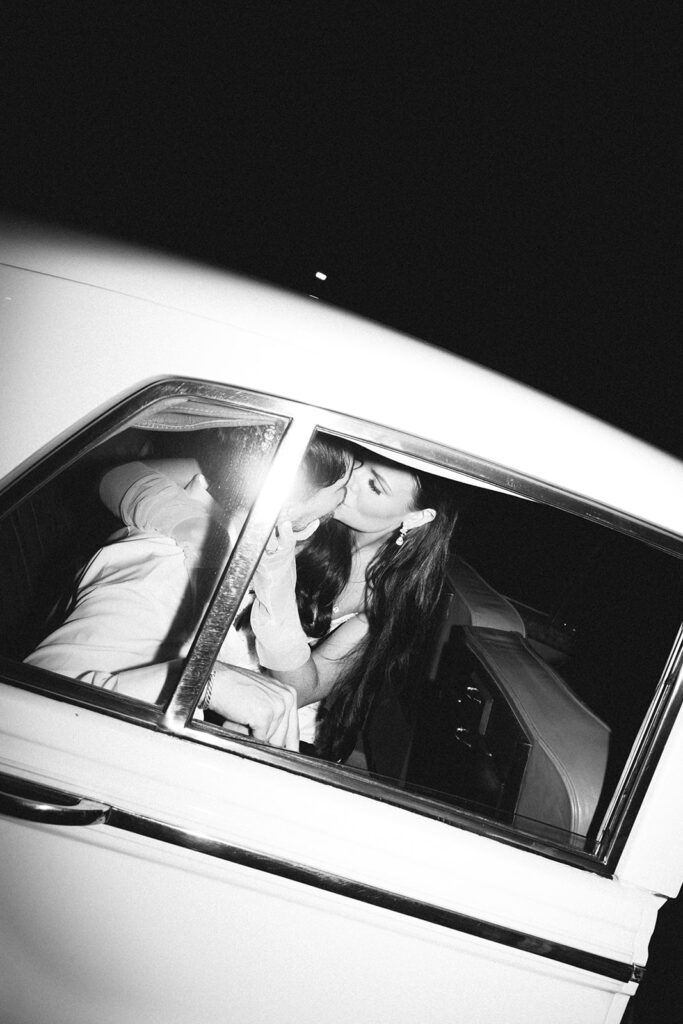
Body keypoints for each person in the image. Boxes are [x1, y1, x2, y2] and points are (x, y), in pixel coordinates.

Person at [25, 435, 355, 750]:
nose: (346, 495)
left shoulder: (238, 564)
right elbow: (32, 710)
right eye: (316, 520)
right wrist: (206, 685)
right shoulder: (166, 564)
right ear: (282, 510)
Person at [249, 452, 460, 761]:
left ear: (416, 517)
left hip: (276, 730)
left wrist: (276, 578)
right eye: (359, 464)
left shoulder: (384, 598)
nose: (350, 479)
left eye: (375, 485)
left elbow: (305, 689)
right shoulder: (307, 508)